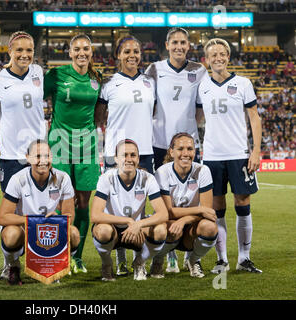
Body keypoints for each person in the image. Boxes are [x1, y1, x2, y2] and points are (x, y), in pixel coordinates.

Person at [145, 27, 208, 273]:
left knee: (190, 198)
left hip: (188, 145)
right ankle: (168, 250)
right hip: (160, 143)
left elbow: (200, 109)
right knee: (163, 199)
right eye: (175, 43)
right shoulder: (154, 69)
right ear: (167, 45)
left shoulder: (199, 70)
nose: (179, 46)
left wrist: (187, 130)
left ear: (188, 45)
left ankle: (190, 254)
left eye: (183, 42)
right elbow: (148, 105)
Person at [197, 38, 262, 274]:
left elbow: (254, 117)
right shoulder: (201, 86)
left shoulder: (244, 83)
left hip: (239, 154)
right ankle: (221, 260)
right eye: (213, 55)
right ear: (207, 59)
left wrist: (255, 150)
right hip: (212, 156)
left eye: (222, 54)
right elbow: (196, 117)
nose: (218, 58)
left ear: (228, 57)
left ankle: (244, 258)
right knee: (216, 207)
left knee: (243, 203)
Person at [96, 35, 156, 276]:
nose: (133, 55)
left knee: (141, 206)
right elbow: (99, 117)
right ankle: (118, 258)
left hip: (145, 151)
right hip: (114, 153)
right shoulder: (109, 84)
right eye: (127, 51)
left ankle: (138, 259)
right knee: (113, 207)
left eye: (137, 51)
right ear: (118, 55)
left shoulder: (151, 83)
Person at [44, 33, 102, 274]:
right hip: (59, 142)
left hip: (86, 143)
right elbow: (35, 97)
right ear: (69, 53)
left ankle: (77, 257)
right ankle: (58, 254)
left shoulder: (97, 79)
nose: (81, 52)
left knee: (83, 203)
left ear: (91, 52)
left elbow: (100, 114)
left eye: (86, 48)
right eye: (77, 49)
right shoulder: (56, 75)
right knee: (59, 201)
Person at [0, 31, 47, 279]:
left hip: (38, 155)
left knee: (40, 209)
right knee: (12, 214)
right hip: (11, 156)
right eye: (19, 50)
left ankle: (41, 258)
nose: (24, 55)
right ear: (9, 52)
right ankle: (10, 264)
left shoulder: (38, 73)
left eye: (29, 50)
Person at [0, 139, 80, 285]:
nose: (42, 161)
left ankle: (56, 266)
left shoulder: (62, 178)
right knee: (11, 235)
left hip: (49, 229)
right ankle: (13, 265)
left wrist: (59, 219)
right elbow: (3, 217)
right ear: (27, 158)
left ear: (52, 157)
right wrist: (31, 221)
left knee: (73, 233)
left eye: (46, 156)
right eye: (37, 156)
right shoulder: (18, 179)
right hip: (23, 229)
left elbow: (69, 215)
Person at [90, 139, 168, 281]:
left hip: (137, 231)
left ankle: (140, 262)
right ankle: (106, 264)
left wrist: (139, 224)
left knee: (161, 230)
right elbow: (95, 215)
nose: (129, 159)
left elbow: (163, 214)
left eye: (133, 155)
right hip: (112, 230)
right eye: (124, 155)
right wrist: (128, 220)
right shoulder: (106, 178)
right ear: (116, 159)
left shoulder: (148, 178)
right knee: (102, 231)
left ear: (138, 158)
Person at [150, 132, 218, 278]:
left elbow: (208, 212)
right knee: (165, 227)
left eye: (190, 149)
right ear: (171, 152)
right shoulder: (162, 172)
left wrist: (184, 220)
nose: (186, 153)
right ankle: (159, 258)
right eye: (180, 149)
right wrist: (199, 209)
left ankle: (193, 261)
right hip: (170, 226)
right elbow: (166, 212)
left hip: (192, 226)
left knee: (210, 227)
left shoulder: (203, 171)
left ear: (195, 151)